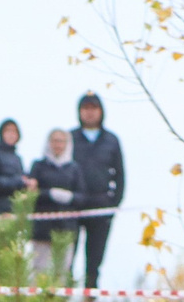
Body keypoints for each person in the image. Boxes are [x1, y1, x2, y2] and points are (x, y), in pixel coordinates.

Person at [70, 92, 125, 290]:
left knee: (94, 260)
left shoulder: (111, 140)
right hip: (74, 207)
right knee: (67, 255)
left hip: (101, 207)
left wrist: (113, 204)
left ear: (101, 111)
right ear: (79, 112)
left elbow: (120, 175)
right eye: (86, 108)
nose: (90, 113)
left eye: (94, 108)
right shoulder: (70, 137)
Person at [28, 127, 85, 280]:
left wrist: (69, 197)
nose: (58, 145)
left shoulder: (74, 168)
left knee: (62, 272)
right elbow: (31, 192)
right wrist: (49, 194)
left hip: (65, 228)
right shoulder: (39, 166)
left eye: (61, 141)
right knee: (39, 271)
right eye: (54, 141)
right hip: (42, 228)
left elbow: (82, 197)